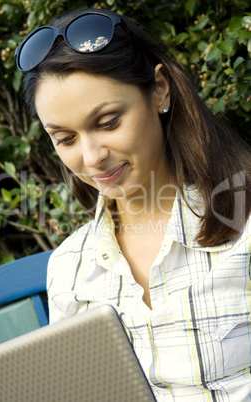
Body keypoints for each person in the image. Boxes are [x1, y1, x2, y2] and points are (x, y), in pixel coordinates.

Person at [16, 8, 251, 401]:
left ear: (159, 90)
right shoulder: (70, 268)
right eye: (65, 138)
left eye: (107, 122)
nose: (91, 158)